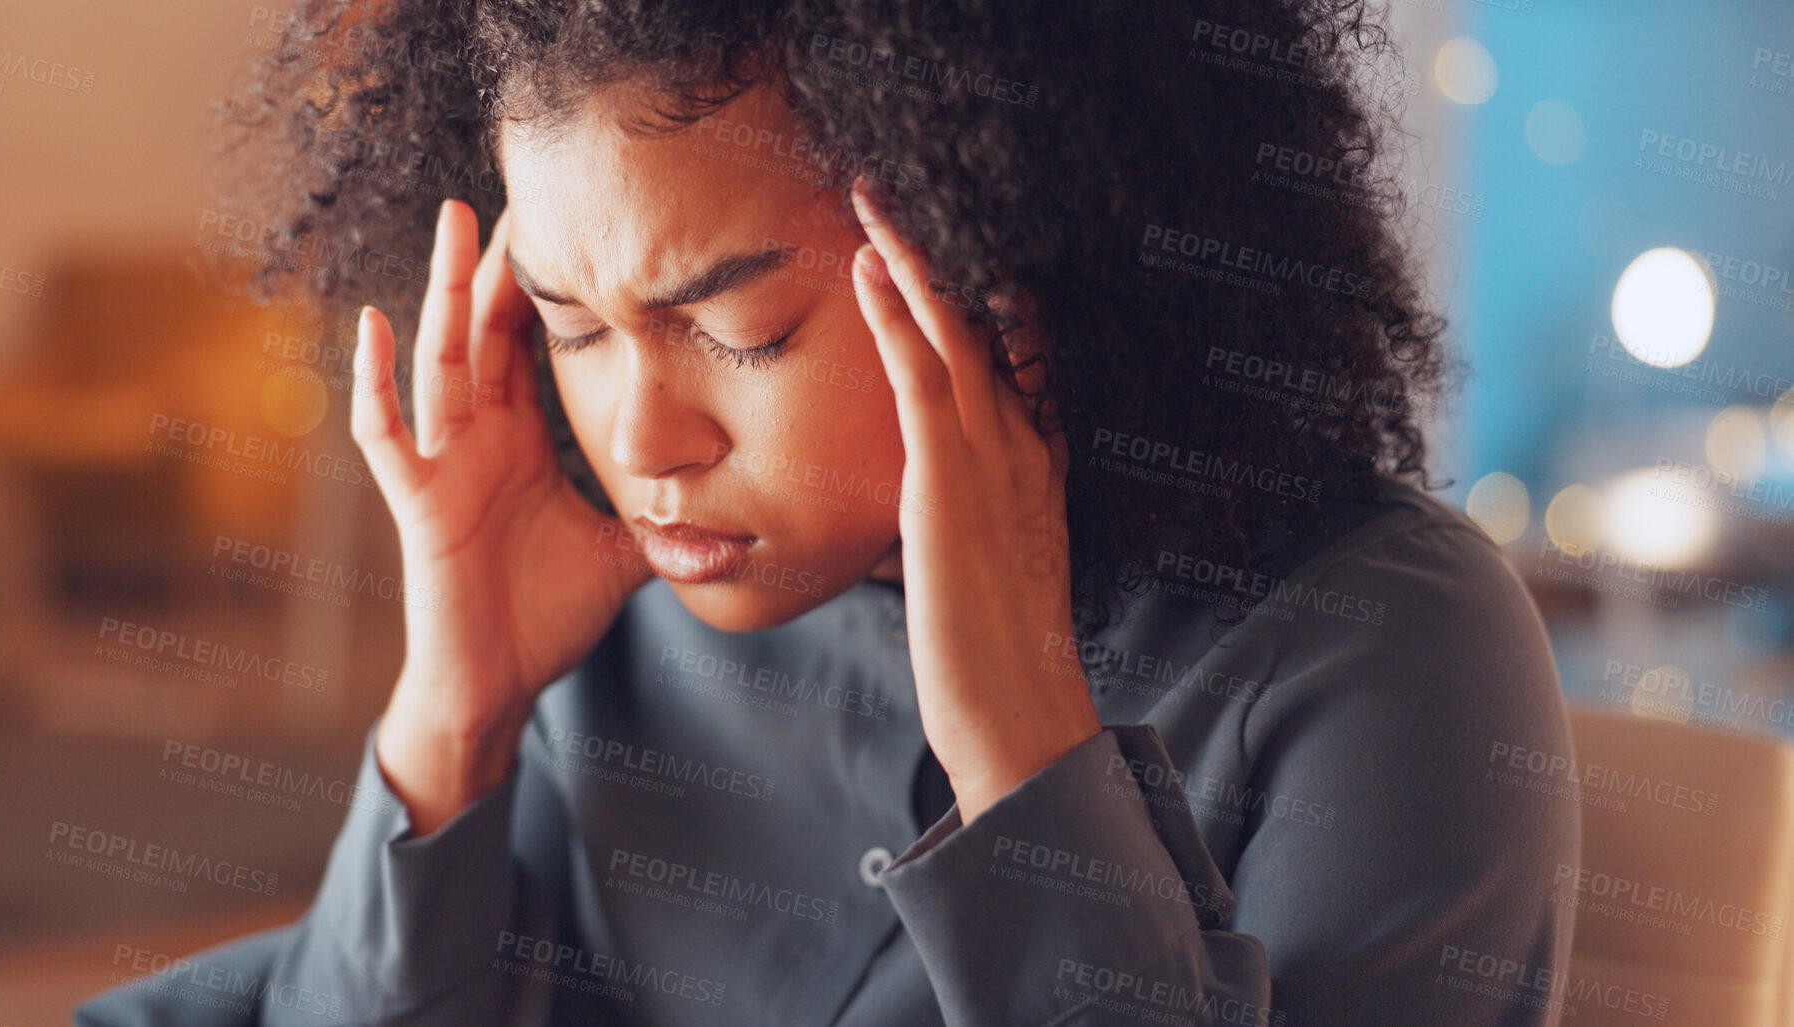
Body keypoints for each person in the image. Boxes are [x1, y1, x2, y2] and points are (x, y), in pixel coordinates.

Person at [79, 0, 1579, 1023]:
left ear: (1006, 258)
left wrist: (1026, 758)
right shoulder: (620, 622)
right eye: (575, 328)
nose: (641, 437)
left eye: (741, 333)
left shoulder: (1378, 657)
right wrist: (451, 717)